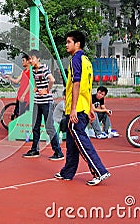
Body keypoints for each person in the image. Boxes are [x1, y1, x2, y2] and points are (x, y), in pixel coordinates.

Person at [55, 31, 111, 186]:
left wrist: (73, 109)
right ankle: (68, 172)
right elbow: (89, 87)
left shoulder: (76, 60)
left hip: (77, 109)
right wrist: (91, 107)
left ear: (77, 44)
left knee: (81, 140)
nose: (66, 45)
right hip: (83, 107)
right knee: (72, 143)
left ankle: (99, 171)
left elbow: (78, 84)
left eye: (68, 42)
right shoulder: (86, 60)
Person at [22, 50, 64, 161]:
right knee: (35, 126)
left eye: (32, 58)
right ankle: (35, 149)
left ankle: (58, 152)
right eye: (30, 59)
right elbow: (36, 81)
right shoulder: (33, 70)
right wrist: (36, 88)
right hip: (37, 101)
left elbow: (52, 79)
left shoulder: (44, 68)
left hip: (46, 102)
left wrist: (47, 90)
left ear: (38, 58)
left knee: (49, 126)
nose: (30, 60)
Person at [5, 53, 31, 118]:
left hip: (26, 96)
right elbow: (16, 81)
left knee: (23, 114)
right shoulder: (23, 71)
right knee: (17, 112)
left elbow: (30, 84)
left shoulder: (31, 72)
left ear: (28, 61)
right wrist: (9, 77)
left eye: (23, 60)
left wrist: (24, 95)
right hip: (20, 95)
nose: (22, 62)